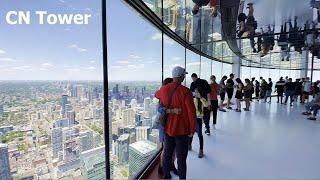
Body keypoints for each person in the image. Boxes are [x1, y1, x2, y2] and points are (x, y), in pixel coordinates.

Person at [155, 66, 196, 179]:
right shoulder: (186, 91)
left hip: (168, 129)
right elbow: (191, 113)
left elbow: (156, 94)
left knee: (167, 155)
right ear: (181, 76)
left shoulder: (164, 89)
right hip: (182, 131)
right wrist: (192, 130)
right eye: (184, 75)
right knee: (181, 159)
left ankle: (166, 175)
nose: (184, 77)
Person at [157, 78, 178, 175]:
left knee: (173, 148)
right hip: (165, 124)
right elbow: (160, 109)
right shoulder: (163, 95)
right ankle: (162, 167)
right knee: (166, 148)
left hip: (173, 124)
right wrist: (172, 111)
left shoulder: (173, 94)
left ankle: (171, 165)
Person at [189, 86, 208, 158]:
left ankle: (201, 150)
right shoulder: (193, 99)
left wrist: (200, 97)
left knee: (200, 134)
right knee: (191, 132)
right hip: (192, 118)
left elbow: (206, 105)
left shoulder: (202, 99)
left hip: (199, 119)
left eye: (197, 92)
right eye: (195, 92)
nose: (196, 93)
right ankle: (189, 144)